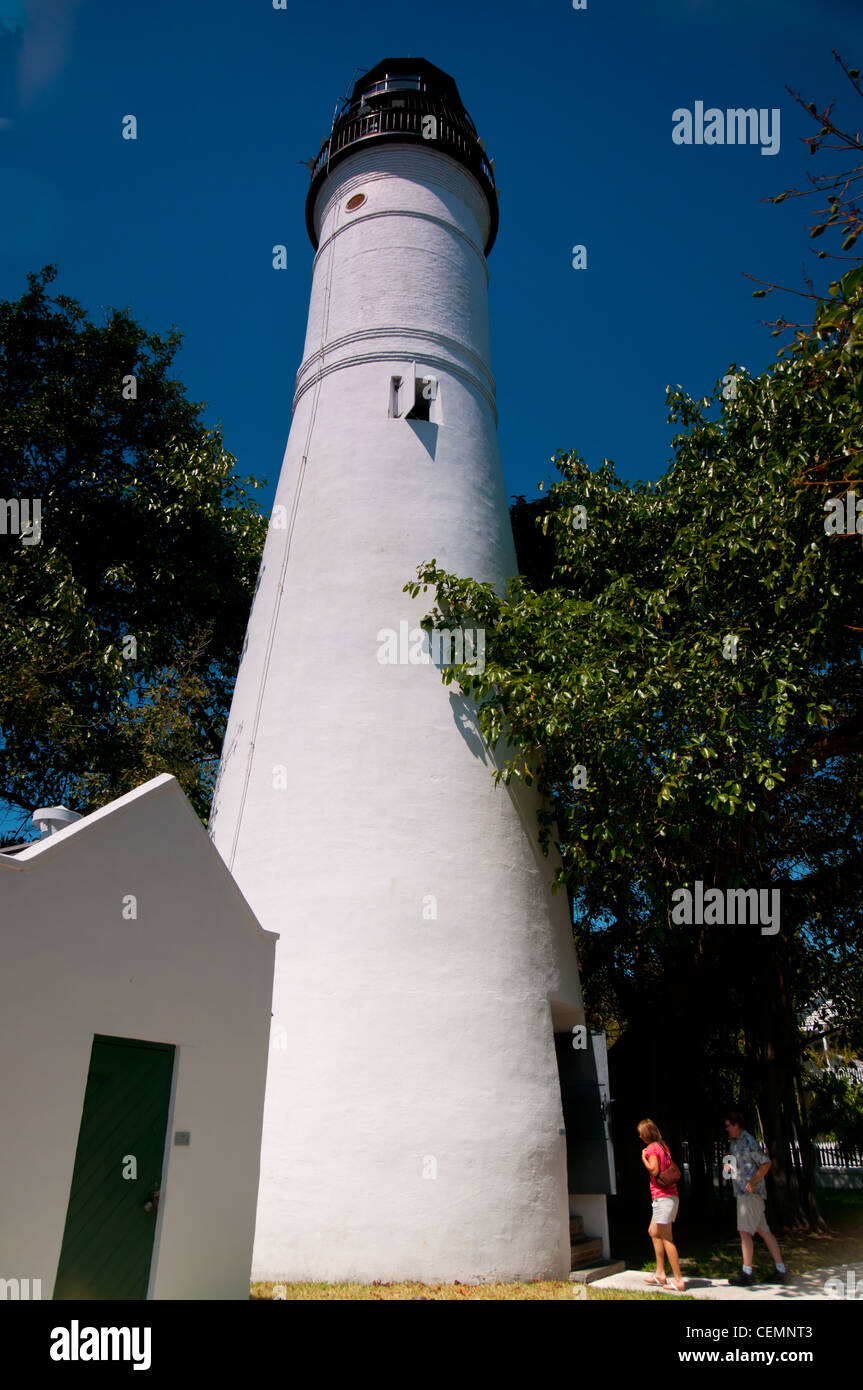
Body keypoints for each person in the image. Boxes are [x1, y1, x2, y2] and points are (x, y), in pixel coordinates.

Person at [723, 1110, 787, 1286]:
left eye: (729, 1126)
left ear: (737, 1125)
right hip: (743, 1193)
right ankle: (780, 1270)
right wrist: (728, 1167)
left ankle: (747, 1272)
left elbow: (766, 1163)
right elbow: (733, 1166)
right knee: (764, 1231)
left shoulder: (749, 1141)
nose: (727, 1129)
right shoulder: (735, 1144)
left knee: (745, 1232)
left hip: (750, 1194)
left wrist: (753, 1181)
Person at [637, 1119, 686, 1292]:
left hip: (662, 1198)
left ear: (646, 1134)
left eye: (641, 1133)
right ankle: (660, 1273)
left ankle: (678, 1279)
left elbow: (654, 1170)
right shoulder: (663, 1146)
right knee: (653, 1231)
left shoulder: (651, 1149)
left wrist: (643, 1158)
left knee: (667, 1238)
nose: (639, 1136)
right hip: (671, 1197)